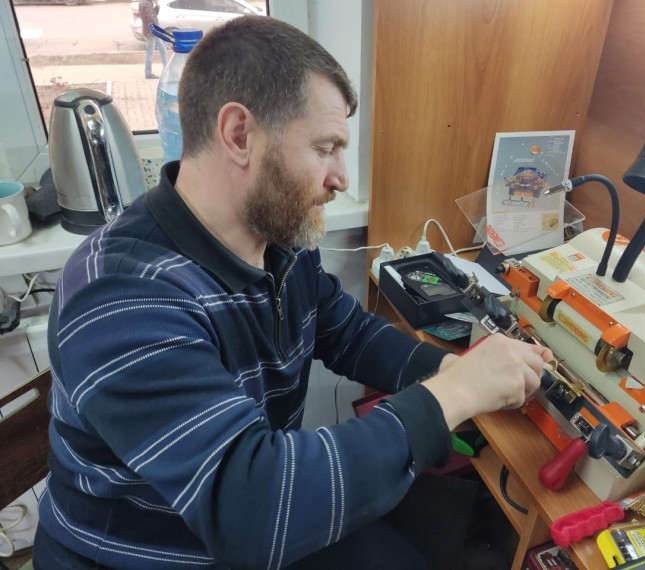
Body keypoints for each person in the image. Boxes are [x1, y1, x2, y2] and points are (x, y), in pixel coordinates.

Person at [34, 15, 553, 569]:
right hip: (154, 555)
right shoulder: (122, 295)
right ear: (239, 135)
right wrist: (457, 394)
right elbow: (256, 512)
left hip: (251, 517)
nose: (341, 178)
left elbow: (347, 332)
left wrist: (451, 370)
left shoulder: (276, 241)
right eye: (325, 147)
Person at [139, 0, 167, 79]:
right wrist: (157, 28)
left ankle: (166, 69)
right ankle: (148, 73)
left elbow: (153, 14)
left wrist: (156, 5)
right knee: (150, 53)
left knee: (162, 49)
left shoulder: (144, 3)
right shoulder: (147, 4)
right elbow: (151, 17)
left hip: (150, 31)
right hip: (151, 32)